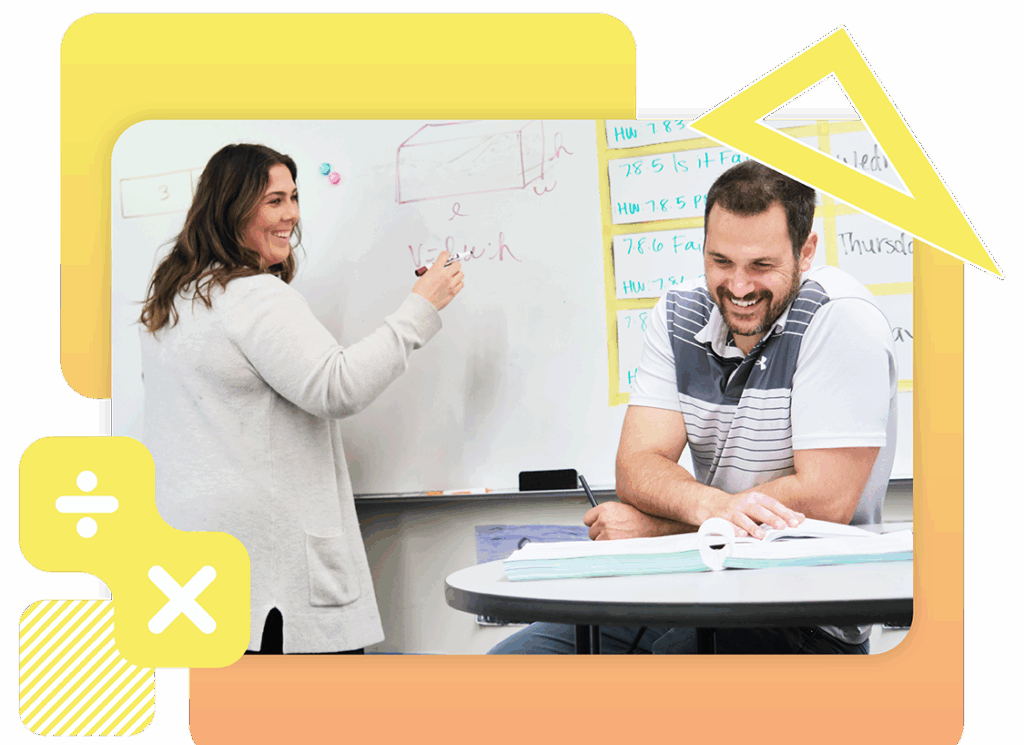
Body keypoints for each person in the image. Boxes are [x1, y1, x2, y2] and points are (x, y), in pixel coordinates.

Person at [490, 160, 897, 655]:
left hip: (803, 613)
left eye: (761, 266)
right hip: (693, 583)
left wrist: (661, 528)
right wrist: (718, 510)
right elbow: (636, 467)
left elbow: (825, 501)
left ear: (806, 250)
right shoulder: (679, 313)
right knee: (512, 666)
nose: (740, 287)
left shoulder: (841, 319)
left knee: (655, 693)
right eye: (721, 261)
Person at [138, 143, 464, 654]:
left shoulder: (174, 303)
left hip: (195, 577)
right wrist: (420, 309)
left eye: (293, 197)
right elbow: (338, 386)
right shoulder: (253, 297)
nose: (291, 214)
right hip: (272, 586)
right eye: (273, 200)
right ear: (232, 208)